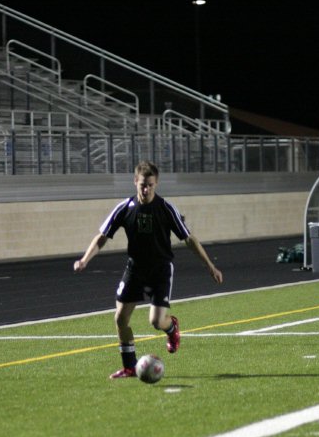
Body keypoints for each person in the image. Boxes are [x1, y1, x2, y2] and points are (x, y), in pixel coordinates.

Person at [73, 160, 224, 379]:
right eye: (143, 184)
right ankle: (129, 367)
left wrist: (210, 267)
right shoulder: (125, 208)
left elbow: (189, 239)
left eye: (150, 185)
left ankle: (171, 328)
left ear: (156, 184)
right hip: (135, 269)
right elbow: (102, 236)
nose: (146, 189)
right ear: (135, 182)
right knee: (120, 319)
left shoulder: (165, 208)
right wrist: (85, 259)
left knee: (155, 322)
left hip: (160, 269)